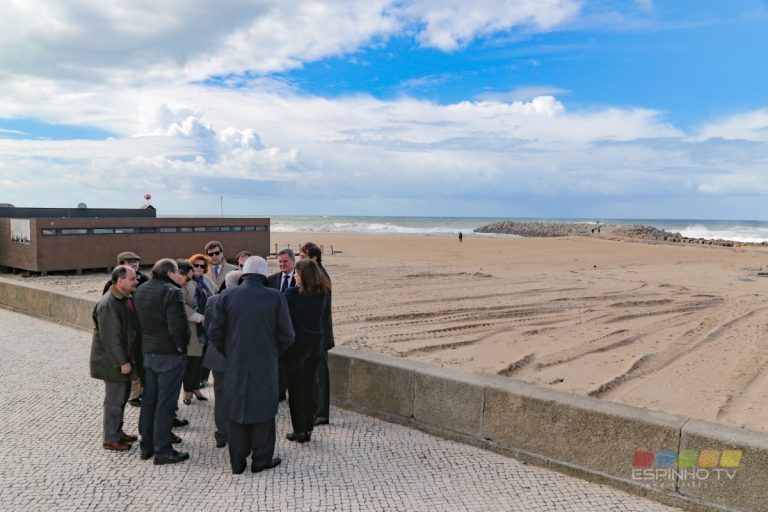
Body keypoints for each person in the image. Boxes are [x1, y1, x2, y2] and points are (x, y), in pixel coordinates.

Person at [208, 256, 295, 474]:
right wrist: (272, 353)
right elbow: (288, 335)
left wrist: (230, 352)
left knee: (236, 409)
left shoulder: (226, 295)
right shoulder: (275, 297)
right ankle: (261, 460)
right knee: (264, 411)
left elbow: (214, 332)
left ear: (244, 272)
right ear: (264, 274)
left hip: (234, 363)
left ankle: (237, 462)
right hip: (265, 364)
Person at [134, 258, 191, 465]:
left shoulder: (141, 289)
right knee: (165, 404)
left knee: (149, 400)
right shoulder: (172, 291)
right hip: (169, 355)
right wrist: (181, 348)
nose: (179, 275)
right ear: (168, 273)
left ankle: (146, 446)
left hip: (148, 353)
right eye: (176, 271)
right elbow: (178, 328)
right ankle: (163, 450)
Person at [90, 265, 140, 451]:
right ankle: (110, 438)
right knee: (114, 400)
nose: (136, 281)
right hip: (113, 363)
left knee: (121, 398)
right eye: (132, 279)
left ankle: (117, 432)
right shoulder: (109, 303)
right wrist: (122, 362)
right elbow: (111, 338)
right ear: (120, 281)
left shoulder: (121, 298)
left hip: (119, 360)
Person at [283, 258, 331, 443]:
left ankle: (299, 431)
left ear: (302, 274)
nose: (294, 275)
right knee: (309, 386)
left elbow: (285, 319)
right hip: (316, 344)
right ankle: (308, 428)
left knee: (295, 389)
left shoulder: (292, 293)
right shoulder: (323, 292)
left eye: (296, 272)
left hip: (297, 346)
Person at [102, 251, 148, 408]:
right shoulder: (113, 286)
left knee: (140, 361)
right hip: (126, 331)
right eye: (130, 262)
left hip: (140, 328)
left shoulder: (144, 279)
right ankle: (133, 394)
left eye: (136, 262)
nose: (134, 264)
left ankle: (141, 390)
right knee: (131, 360)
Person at [203, 270, 242, 449]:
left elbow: (208, 327)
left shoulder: (212, 300)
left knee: (220, 396)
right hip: (237, 356)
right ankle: (237, 430)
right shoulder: (244, 302)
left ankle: (222, 433)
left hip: (217, 356)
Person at [300, 242, 334, 426]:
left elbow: (322, 309)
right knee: (315, 375)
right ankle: (316, 411)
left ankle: (321, 414)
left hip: (320, 334)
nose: (301, 259)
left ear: (313, 258)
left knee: (321, 376)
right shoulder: (317, 274)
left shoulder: (320, 276)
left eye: (303, 256)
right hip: (316, 334)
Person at [180, 254, 215, 405]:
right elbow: (181, 305)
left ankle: (196, 388)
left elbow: (215, 297)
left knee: (201, 361)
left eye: (202, 266)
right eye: (196, 265)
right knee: (191, 361)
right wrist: (198, 317)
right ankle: (187, 392)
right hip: (192, 328)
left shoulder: (207, 282)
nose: (199, 268)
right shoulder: (185, 283)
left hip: (206, 328)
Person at [266, 248, 297, 401]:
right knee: (277, 364)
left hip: (294, 329)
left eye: (285, 261)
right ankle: (279, 393)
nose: (282, 264)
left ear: (293, 261)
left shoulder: (300, 279)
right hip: (274, 329)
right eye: (280, 262)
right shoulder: (271, 280)